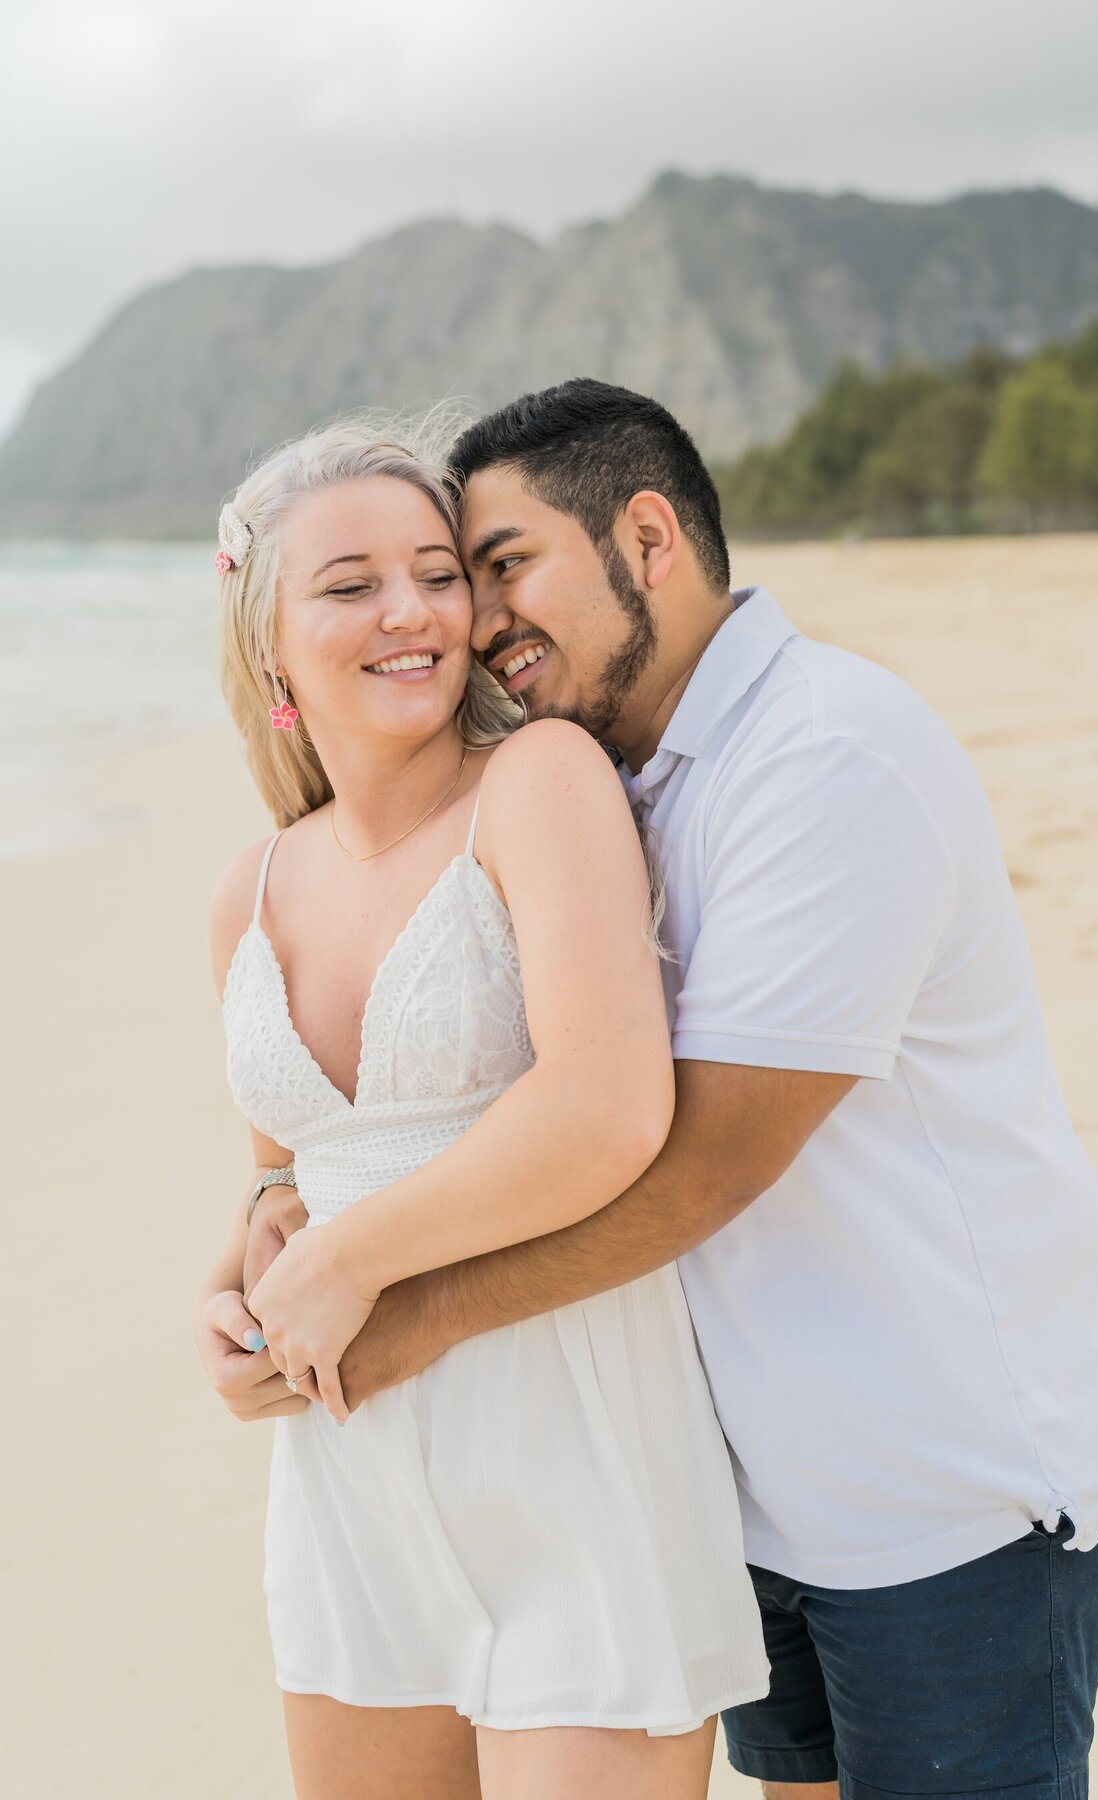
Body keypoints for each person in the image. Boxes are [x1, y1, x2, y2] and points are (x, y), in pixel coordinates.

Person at [234, 379, 1098, 1800]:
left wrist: (400, 1311)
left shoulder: (824, 752)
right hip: (757, 1491)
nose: (473, 622)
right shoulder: (630, 767)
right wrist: (272, 1227)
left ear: (647, 537)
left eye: (495, 569)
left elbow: (699, 1157)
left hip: (945, 1494)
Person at [193, 418, 770, 1800]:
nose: (414, 614)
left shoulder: (539, 785)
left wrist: (346, 1256)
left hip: (572, 1457)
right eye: (350, 585)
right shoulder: (250, 891)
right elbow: (288, 1173)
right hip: (351, 1489)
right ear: (269, 635)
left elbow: (607, 1109)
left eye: (439, 571)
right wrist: (246, 1291)